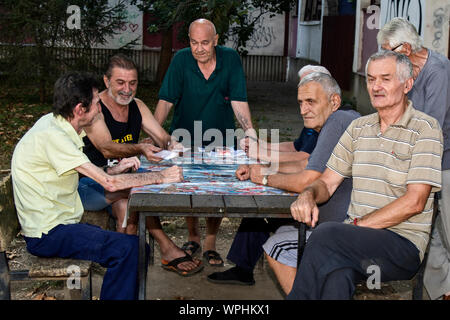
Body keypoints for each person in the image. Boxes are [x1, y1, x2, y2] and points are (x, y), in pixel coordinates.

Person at [11, 72, 184, 300]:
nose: (100, 108)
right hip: (49, 233)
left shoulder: (54, 123)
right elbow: (110, 185)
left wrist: (114, 169)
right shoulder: (53, 136)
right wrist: (161, 176)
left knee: (134, 247)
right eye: (96, 104)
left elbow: (94, 174)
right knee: (131, 249)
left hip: (57, 225)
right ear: (80, 110)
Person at [286, 50, 443, 300]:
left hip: (402, 245)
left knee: (326, 234)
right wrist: (307, 194)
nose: (376, 87)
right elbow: (327, 182)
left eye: (385, 79)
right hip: (356, 241)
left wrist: (357, 226)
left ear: (408, 84)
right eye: (370, 79)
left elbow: (415, 202)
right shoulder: (358, 128)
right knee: (337, 276)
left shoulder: (425, 129)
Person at [207, 72, 360, 288]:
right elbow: (307, 165)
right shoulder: (343, 119)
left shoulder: (337, 121)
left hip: (338, 227)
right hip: (331, 218)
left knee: (276, 246)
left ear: (334, 101)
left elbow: (306, 178)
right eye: (300, 103)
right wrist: (258, 169)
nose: (303, 110)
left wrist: (266, 178)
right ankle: (243, 268)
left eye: (310, 102)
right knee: (260, 215)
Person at [79, 54, 203, 276]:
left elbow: (162, 137)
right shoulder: (95, 109)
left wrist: (172, 144)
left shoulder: (137, 106)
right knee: (133, 199)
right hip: (92, 181)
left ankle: (127, 270)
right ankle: (159, 251)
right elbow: (107, 148)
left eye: (133, 83)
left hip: (124, 181)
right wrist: (140, 148)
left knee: (134, 201)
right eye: (120, 82)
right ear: (106, 82)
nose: (127, 89)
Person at [153, 18, 256, 266]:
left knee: (217, 189)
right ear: (189, 41)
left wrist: (249, 130)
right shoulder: (180, 60)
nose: (199, 48)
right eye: (194, 42)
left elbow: (238, 100)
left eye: (205, 43)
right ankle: (193, 237)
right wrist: (156, 135)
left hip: (220, 136)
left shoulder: (230, 59)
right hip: (184, 136)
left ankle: (210, 242)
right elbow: (166, 100)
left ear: (216, 40)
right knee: (188, 186)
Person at [377, 17, 450, 300]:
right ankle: (438, 293)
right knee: (433, 238)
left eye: (388, 51)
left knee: (447, 234)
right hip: (424, 163)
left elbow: (432, 128)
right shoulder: (408, 72)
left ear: (405, 48)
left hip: (444, 164)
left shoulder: (438, 70)